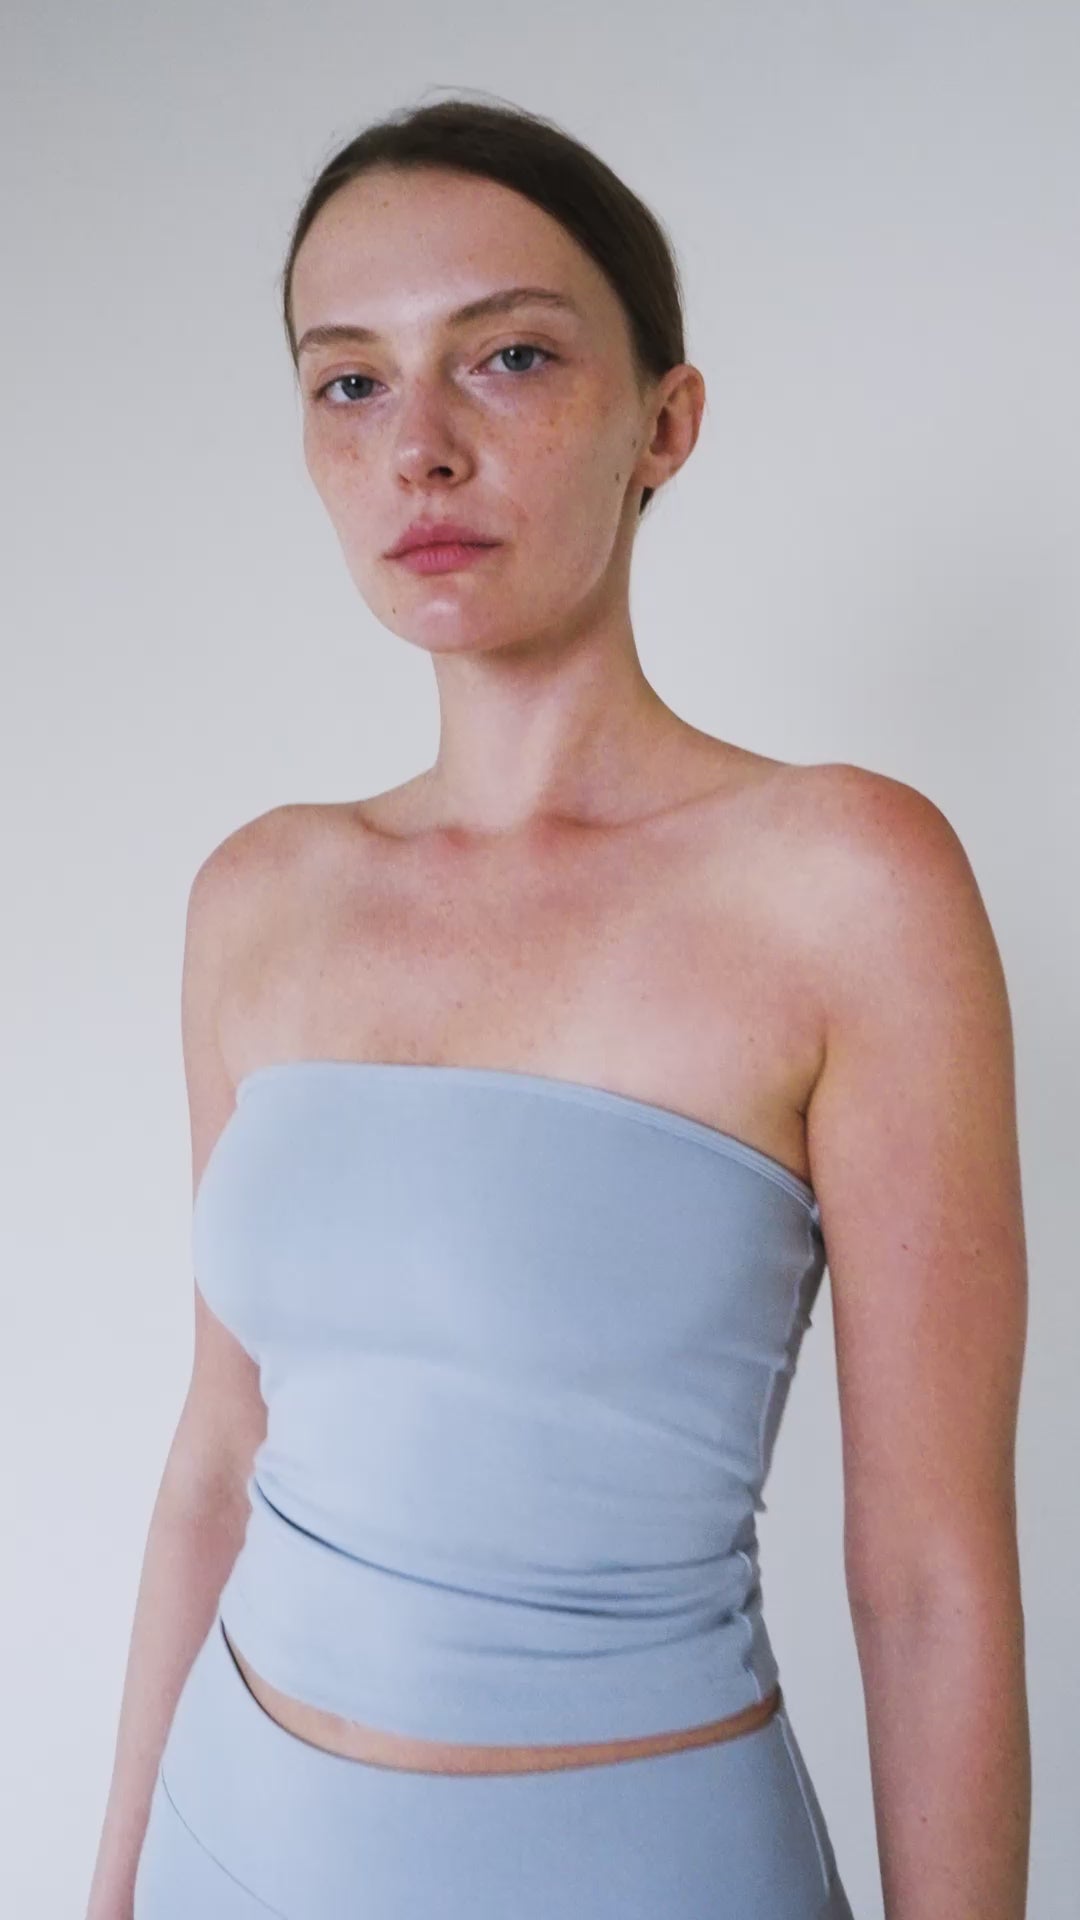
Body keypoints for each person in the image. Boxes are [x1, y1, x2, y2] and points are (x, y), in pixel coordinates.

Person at [87, 94, 1030, 1920]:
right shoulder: (260, 896)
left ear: (663, 423)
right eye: (349, 382)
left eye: (508, 356)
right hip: (224, 1852)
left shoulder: (847, 881)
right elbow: (219, 1452)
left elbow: (931, 1576)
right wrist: (110, 1886)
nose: (419, 448)